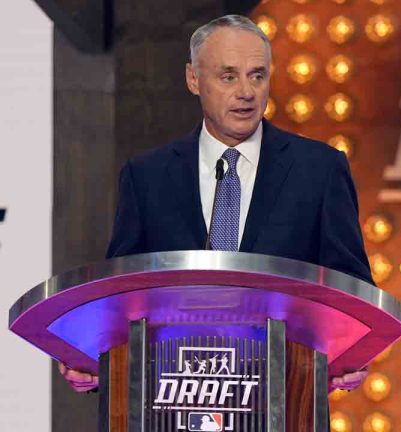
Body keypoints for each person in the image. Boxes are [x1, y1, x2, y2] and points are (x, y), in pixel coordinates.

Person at [58, 14, 370, 393]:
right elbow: (123, 296)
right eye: (228, 76)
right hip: (172, 397)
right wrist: (96, 363)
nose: (247, 91)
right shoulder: (147, 176)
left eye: (257, 75)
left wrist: (351, 353)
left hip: (284, 398)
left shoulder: (319, 170)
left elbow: (351, 290)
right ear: (193, 79)